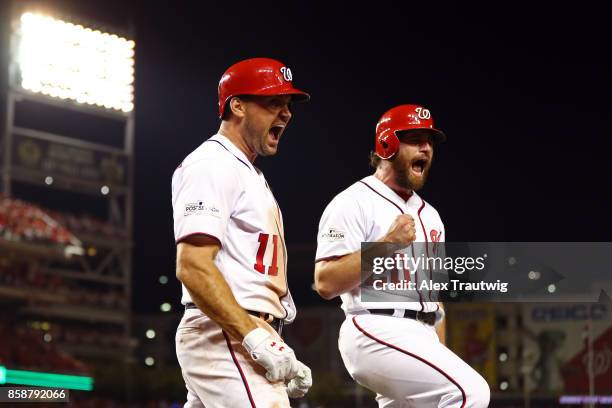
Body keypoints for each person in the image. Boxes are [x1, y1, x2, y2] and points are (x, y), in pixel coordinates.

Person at [314, 104, 490, 407]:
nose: (426, 147)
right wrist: (386, 245)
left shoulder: (431, 216)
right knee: (469, 393)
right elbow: (326, 282)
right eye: (415, 139)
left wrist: (438, 350)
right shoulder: (353, 202)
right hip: (374, 329)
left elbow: (434, 300)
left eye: (430, 141)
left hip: (422, 334)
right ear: (386, 143)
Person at [173, 58, 312, 408]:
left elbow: (248, 276)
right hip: (225, 334)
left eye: (287, 105)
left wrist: (273, 339)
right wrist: (254, 336)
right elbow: (192, 265)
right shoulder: (212, 164)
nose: (286, 113)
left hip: (237, 331)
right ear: (236, 105)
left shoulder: (248, 172)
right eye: (273, 102)